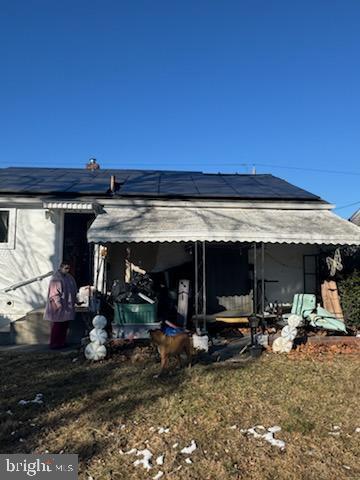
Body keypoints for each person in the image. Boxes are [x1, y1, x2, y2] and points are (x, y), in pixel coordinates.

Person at [44, 261, 78, 349]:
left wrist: (76, 300)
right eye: (66, 268)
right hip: (58, 306)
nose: (67, 270)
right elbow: (54, 294)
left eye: (68, 268)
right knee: (57, 325)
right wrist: (58, 304)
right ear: (61, 267)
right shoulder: (56, 279)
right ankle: (54, 343)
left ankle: (61, 342)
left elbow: (73, 289)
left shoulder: (69, 278)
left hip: (67, 305)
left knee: (64, 325)